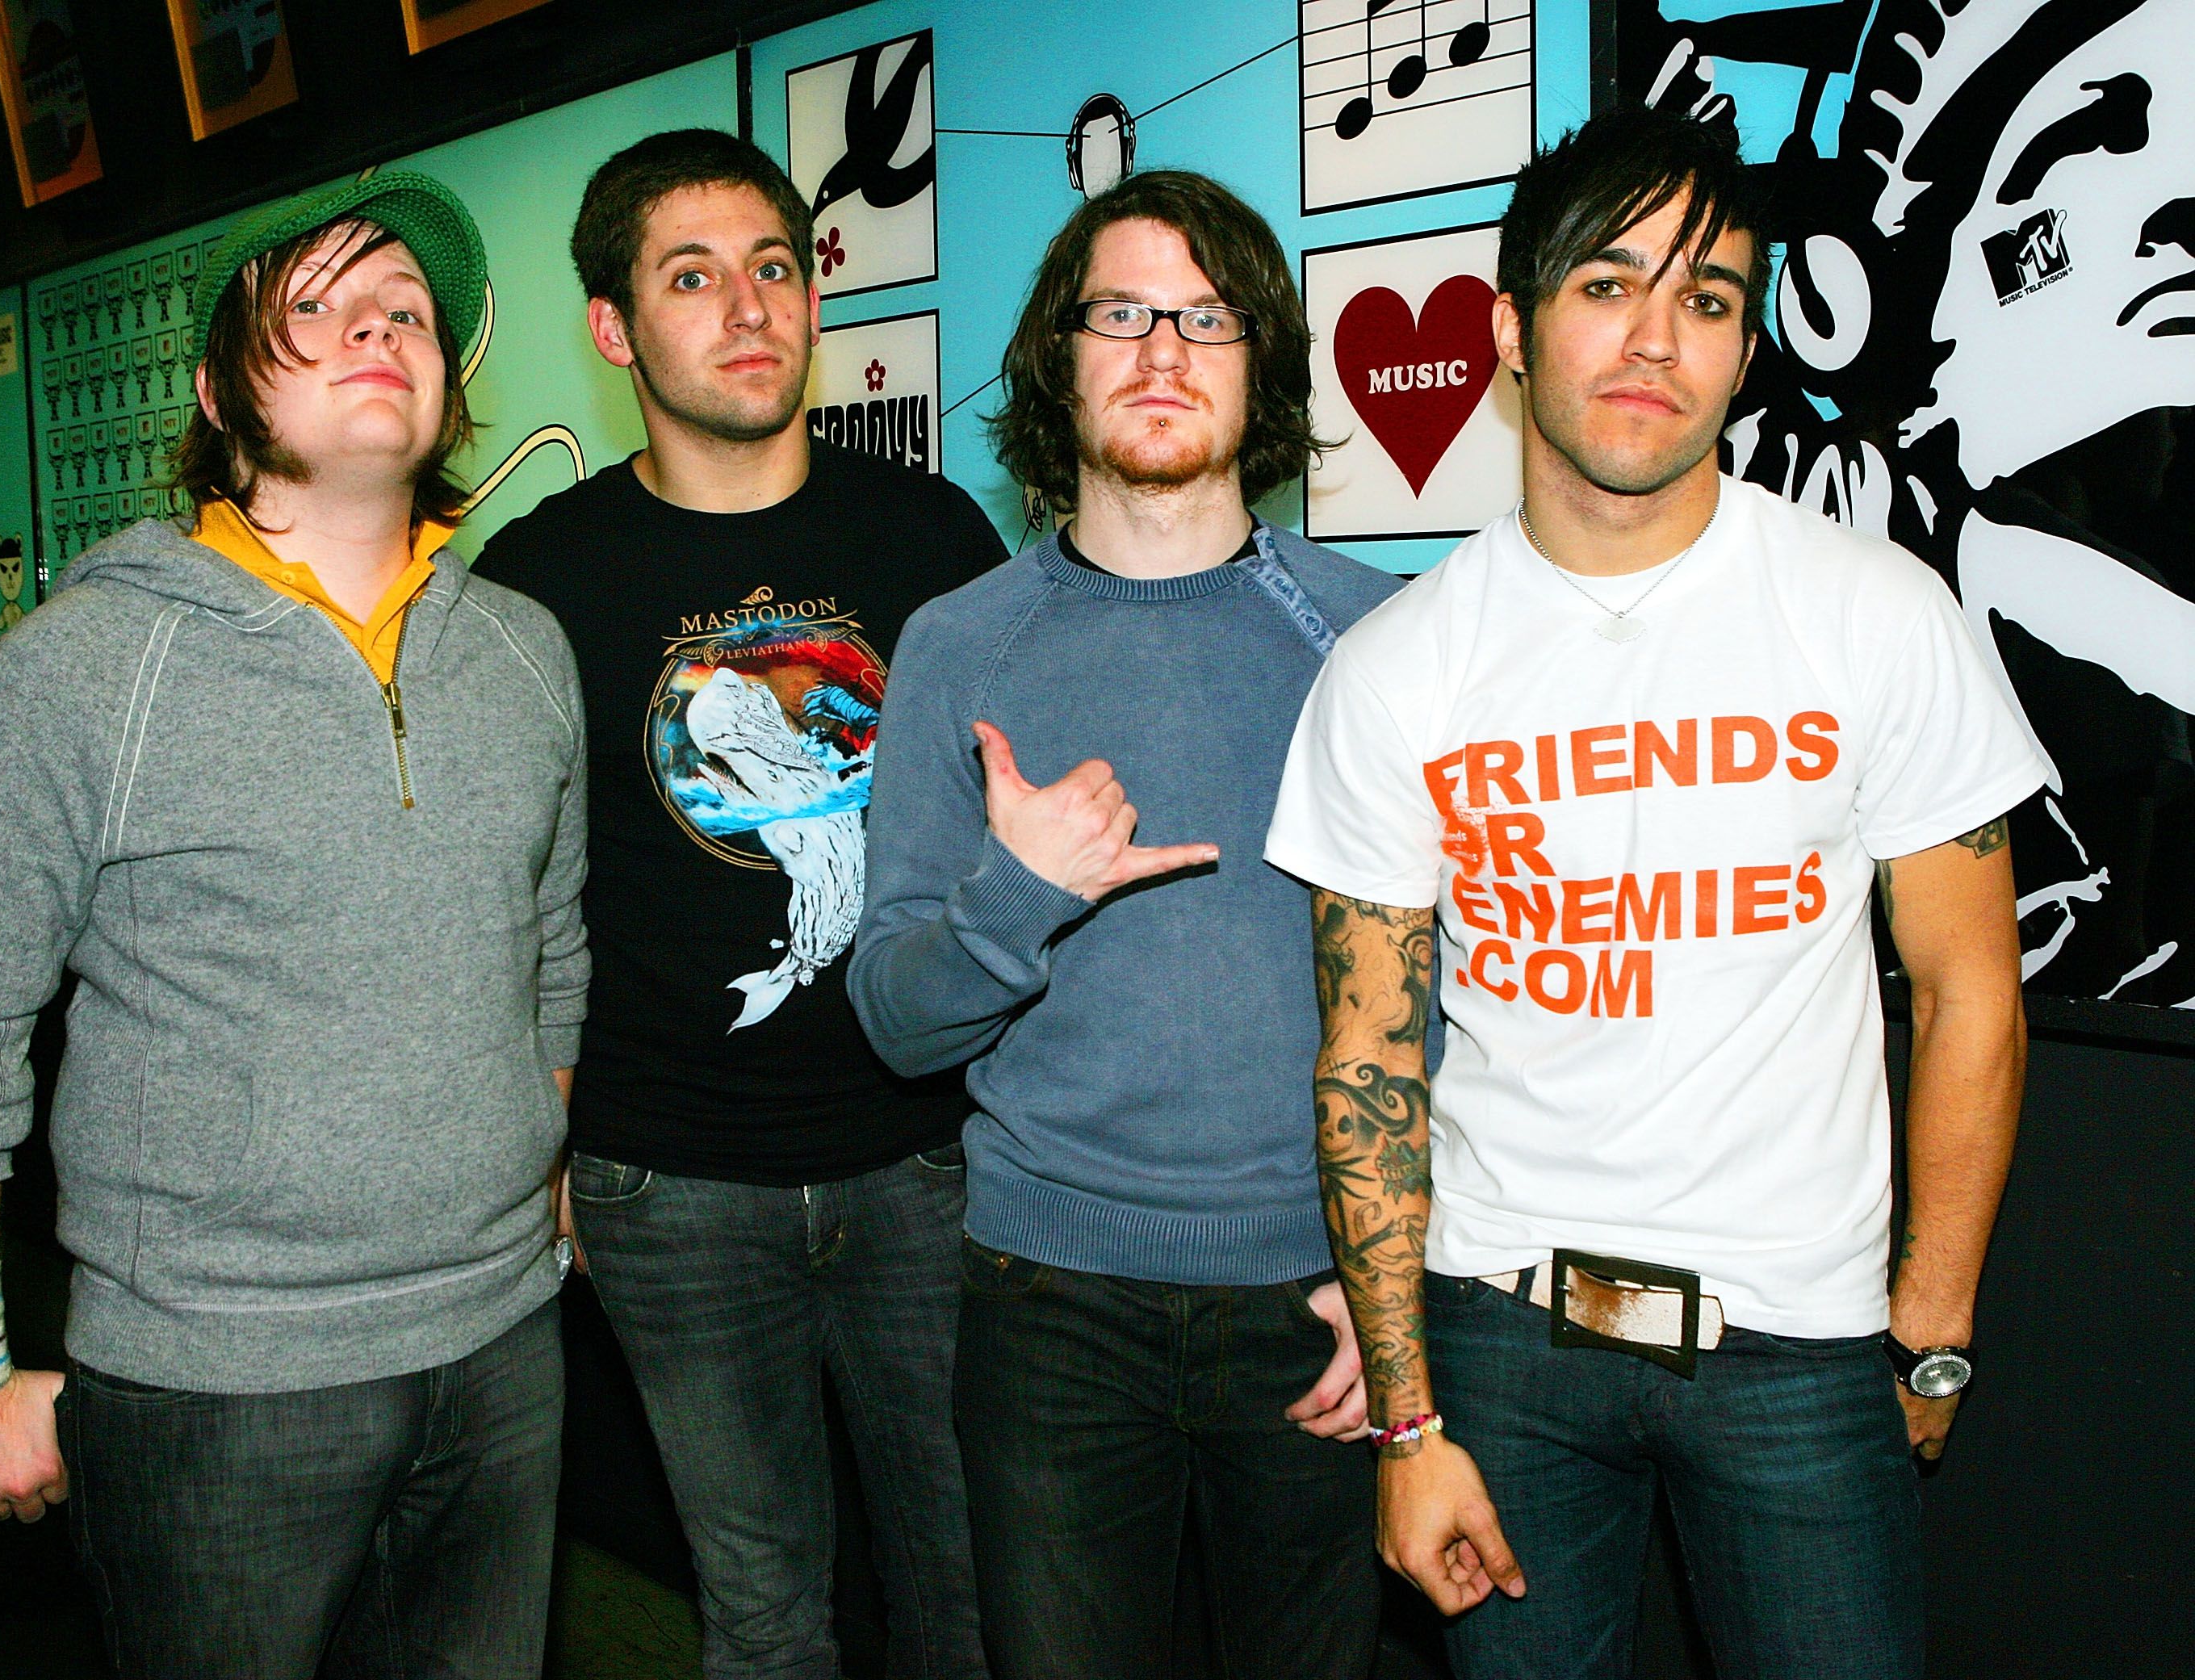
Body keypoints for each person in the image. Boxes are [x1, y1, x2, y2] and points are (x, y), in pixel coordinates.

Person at [1265, 107, 2046, 1678]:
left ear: (1749, 350)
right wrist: (1408, 1423)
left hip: (1807, 1351)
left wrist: (1932, 1334)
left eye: (1707, 300)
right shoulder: (1399, 666)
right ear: (1508, 327)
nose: (1656, 338)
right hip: (1499, 1334)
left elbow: (1973, 996)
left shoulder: (1876, 616)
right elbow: (1368, 1063)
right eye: (1611, 282)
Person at [0, 173, 589, 1680]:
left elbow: (554, 955)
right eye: (314, 310)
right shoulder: (88, 665)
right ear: (216, 388)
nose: (376, 330)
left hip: (503, 1355)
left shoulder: (525, 654)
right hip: (214, 1391)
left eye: (405, 313)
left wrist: (542, 1183)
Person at [848, 170, 1407, 1680]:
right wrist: (1022, 894)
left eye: (1207, 317)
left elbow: (1475, 993)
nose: (1163, 349)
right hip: (1047, 1309)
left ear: (1262, 365)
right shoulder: (960, 642)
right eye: (1122, 313)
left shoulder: (1374, 637)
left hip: (1318, 1296)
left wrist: (1402, 1292)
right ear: (1058, 357)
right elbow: (894, 1016)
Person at [475, 128, 1003, 1680]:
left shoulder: (931, 537)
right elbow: (507, 897)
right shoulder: (538, 582)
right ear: (613, 329)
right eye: (691, 276)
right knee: (767, 1618)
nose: (748, 305)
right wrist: (541, 1138)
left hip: (929, 1164)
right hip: (671, 1185)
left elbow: (1000, 851)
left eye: (774, 267)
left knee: (973, 1593)